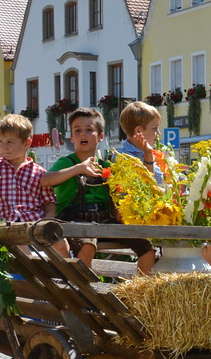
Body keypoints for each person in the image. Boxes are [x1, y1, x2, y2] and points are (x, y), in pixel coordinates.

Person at [51, 107, 156, 274]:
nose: (83, 134)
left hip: (105, 222)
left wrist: (148, 155)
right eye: (77, 131)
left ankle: (141, 292)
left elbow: (142, 185)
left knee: (146, 246)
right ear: (71, 137)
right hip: (74, 222)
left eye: (89, 130)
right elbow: (45, 180)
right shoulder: (67, 162)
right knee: (88, 244)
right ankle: (86, 292)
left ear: (100, 136)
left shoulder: (107, 166)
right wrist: (78, 169)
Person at [116, 101, 171, 183]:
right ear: (138, 131)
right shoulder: (122, 157)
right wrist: (148, 154)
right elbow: (147, 186)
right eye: (154, 128)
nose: (159, 133)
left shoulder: (154, 154)